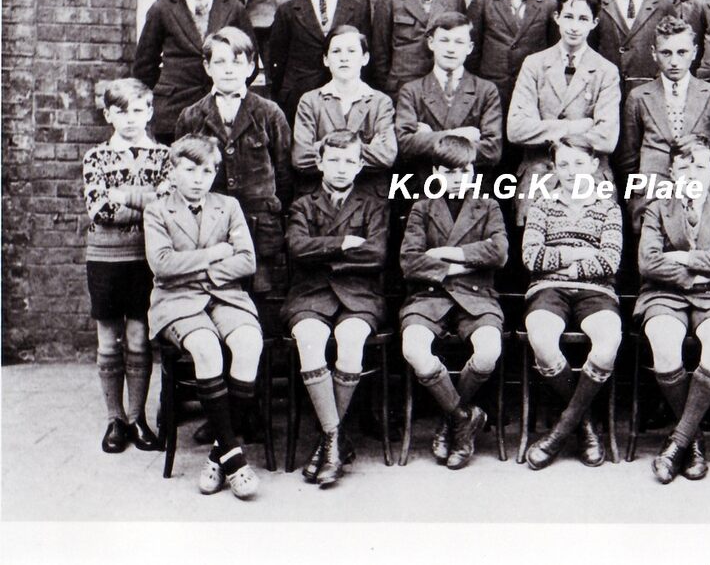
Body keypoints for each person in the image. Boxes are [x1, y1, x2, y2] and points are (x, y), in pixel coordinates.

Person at [143, 135, 264, 499]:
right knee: (206, 347)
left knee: (249, 342)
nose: (198, 179)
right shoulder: (157, 211)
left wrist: (202, 272)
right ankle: (235, 461)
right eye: (190, 169)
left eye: (207, 171)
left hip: (225, 295)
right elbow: (162, 265)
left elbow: (247, 260)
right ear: (173, 171)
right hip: (177, 301)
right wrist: (215, 253)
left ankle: (218, 453)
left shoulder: (228, 206)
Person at [634, 136, 710, 483]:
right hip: (664, 294)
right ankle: (693, 441)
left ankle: (677, 443)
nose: (691, 173)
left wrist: (683, 256)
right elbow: (648, 263)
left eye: (699, 166)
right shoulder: (657, 209)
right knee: (664, 341)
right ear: (671, 172)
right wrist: (701, 269)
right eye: (683, 166)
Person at [283, 129, 388, 488]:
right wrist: (343, 242)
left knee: (351, 339)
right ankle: (334, 441)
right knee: (309, 338)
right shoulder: (303, 204)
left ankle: (328, 444)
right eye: (334, 160)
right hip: (311, 293)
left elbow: (376, 254)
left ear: (360, 165)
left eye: (349, 161)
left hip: (359, 294)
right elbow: (297, 248)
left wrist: (324, 254)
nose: (341, 168)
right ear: (320, 163)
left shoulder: (373, 205)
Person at [399, 136, 508, 470]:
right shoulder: (422, 208)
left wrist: (447, 254)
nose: (458, 178)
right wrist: (469, 263)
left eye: (464, 170)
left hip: (477, 297)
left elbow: (499, 253)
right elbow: (410, 262)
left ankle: (450, 422)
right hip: (429, 298)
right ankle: (462, 417)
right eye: (449, 172)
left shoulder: (488, 206)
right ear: (436, 172)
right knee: (414, 348)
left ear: (473, 171)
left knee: (488, 351)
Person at [522, 136, 624, 470]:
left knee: (608, 343)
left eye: (579, 163)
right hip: (548, 289)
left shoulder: (608, 208)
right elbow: (531, 257)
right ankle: (584, 425)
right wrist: (578, 254)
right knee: (541, 339)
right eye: (563, 164)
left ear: (594, 166)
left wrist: (567, 264)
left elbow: (610, 260)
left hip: (597, 291)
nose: (571, 171)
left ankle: (562, 429)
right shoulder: (542, 205)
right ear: (554, 168)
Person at [82, 78, 171, 454]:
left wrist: (122, 195)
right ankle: (114, 419)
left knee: (138, 338)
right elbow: (99, 210)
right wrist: (146, 200)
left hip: (147, 259)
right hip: (105, 257)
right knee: (109, 340)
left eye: (138, 110)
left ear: (150, 112)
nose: (131, 119)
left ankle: (137, 418)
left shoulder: (165, 156)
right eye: (121, 111)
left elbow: (168, 205)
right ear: (108, 115)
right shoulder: (95, 157)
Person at [176, 27, 292, 297]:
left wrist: (274, 209)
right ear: (207, 67)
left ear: (251, 67)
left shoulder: (269, 113)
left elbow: (285, 172)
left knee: (261, 295)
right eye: (220, 62)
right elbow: (181, 174)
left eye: (237, 62)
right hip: (209, 228)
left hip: (260, 228)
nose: (228, 70)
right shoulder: (192, 116)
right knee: (211, 291)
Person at [507, 0, 621, 225]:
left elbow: (607, 138)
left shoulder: (606, 71)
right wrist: (576, 126)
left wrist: (546, 130)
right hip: (541, 172)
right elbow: (516, 129)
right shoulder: (534, 64)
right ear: (557, 17)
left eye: (583, 18)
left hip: (589, 174)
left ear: (594, 23)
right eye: (568, 17)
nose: (574, 26)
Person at [132, 0, 257, 143]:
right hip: (173, 112)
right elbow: (144, 67)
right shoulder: (162, 9)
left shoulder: (233, 8)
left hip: (222, 114)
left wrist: (227, 92)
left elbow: (250, 60)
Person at [618, 17, 710, 230]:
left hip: (702, 195)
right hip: (652, 197)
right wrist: (636, 196)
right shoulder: (639, 97)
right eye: (666, 53)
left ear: (694, 52)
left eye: (682, 52)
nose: (674, 61)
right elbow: (628, 159)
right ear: (654, 53)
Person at [266, 0, 371, 124]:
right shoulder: (288, 10)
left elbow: (368, 55)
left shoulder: (359, 6)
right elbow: (277, 61)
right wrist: (285, 95)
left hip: (347, 98)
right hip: (299, 100)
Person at [395, 11, 503, 186]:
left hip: (472, 188)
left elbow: (492, 151)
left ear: (470, 48)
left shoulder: (486, 91)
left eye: (459, 42)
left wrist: (429, 138)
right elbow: (405, 145)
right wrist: (460, 135)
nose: (451, 49)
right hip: (424, 187)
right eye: (444, 40)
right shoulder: (411, 91)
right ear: (431, 43)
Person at [292, 25, 397, 200]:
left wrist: (322, 147)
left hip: (368, 196)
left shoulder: (380, 102)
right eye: (336, 51)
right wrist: (364, 149)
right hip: (320, 196)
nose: (344, 58)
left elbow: (387, 156)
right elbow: (301, 157)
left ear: (365, 58)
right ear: (326, 59)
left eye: (351, 51)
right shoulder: (310, 101)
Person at [466, 0, 557, 110]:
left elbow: (552, 51)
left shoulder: (548, 4)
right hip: (492, 93)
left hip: (532, 93)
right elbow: (472, 53)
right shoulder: (482, 1)